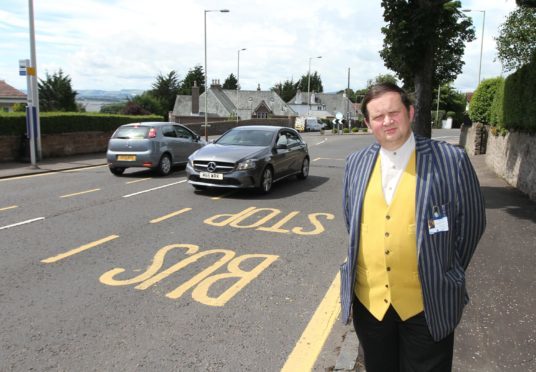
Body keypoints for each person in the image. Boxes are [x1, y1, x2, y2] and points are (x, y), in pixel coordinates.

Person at [340, 83, 486, 371]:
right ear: (369, 124)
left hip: (428, 306)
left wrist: (445, 270)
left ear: (409, 112)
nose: (387, 121)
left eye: (394, 112)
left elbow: (471, 224)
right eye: (378, 117)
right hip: (371, 307)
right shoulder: (354, 163)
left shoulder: (451, 160)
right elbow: (352, 222)